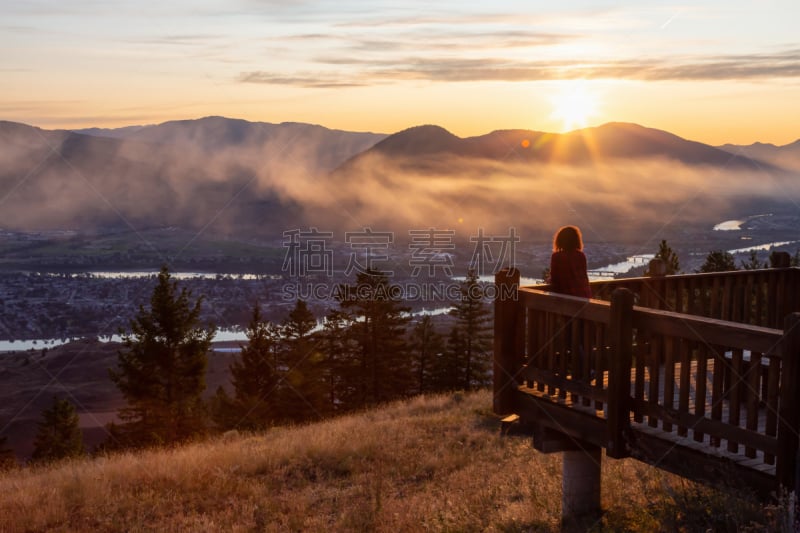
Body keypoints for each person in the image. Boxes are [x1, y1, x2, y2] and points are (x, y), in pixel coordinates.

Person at [549, 225, 591, 298]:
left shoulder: (557, 256)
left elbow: (554, 278)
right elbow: (584, 276)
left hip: (568, 296)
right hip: (584, 295)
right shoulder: (580, 255)